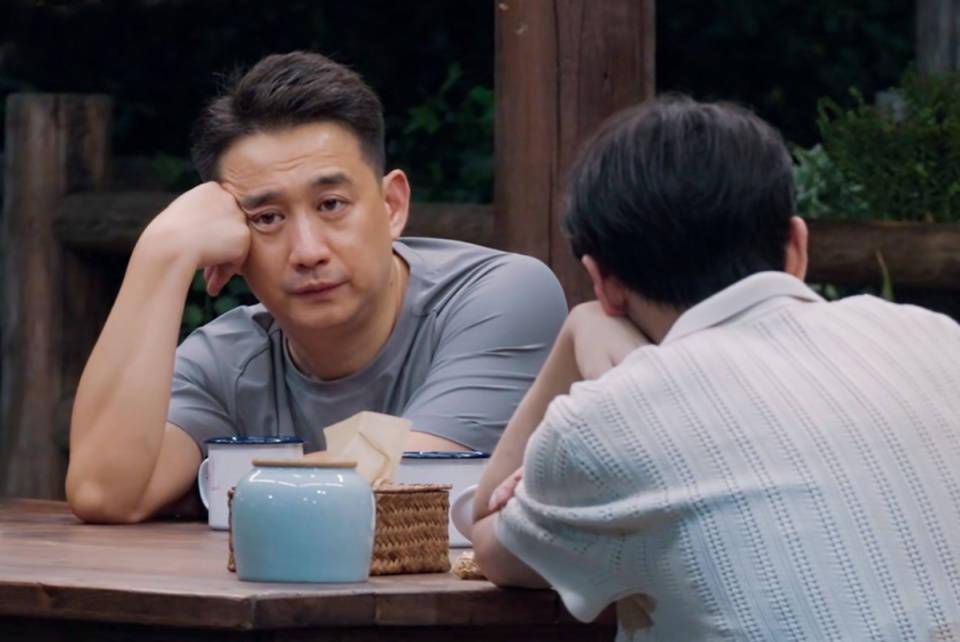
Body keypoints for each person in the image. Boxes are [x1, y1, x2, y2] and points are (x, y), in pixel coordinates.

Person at [472, 96, 960, 641]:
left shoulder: (609, 420)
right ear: (797, 247)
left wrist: (575, 332)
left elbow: (487, 541)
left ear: (602, 279)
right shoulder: (939, 338)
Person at [66, 51, 567, 524]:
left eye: (331, 205)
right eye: (267, 218)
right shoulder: (227, 360)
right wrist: (163, 253)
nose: (307, 251)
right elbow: (103, 493)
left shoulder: (501, 296)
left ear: (392, 206)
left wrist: (219, 483)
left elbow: (416, 476)